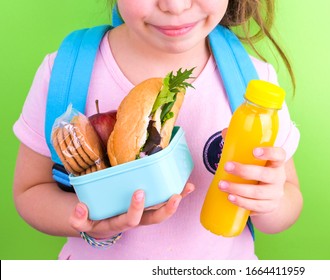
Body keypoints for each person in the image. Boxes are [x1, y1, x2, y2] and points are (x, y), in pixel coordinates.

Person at [13, 0, 302, 259]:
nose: (175, 6)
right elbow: (30, 191)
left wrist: (270, 201)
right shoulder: (64, 73)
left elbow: (288, 202)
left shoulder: (253, 85)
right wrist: (91, 221)